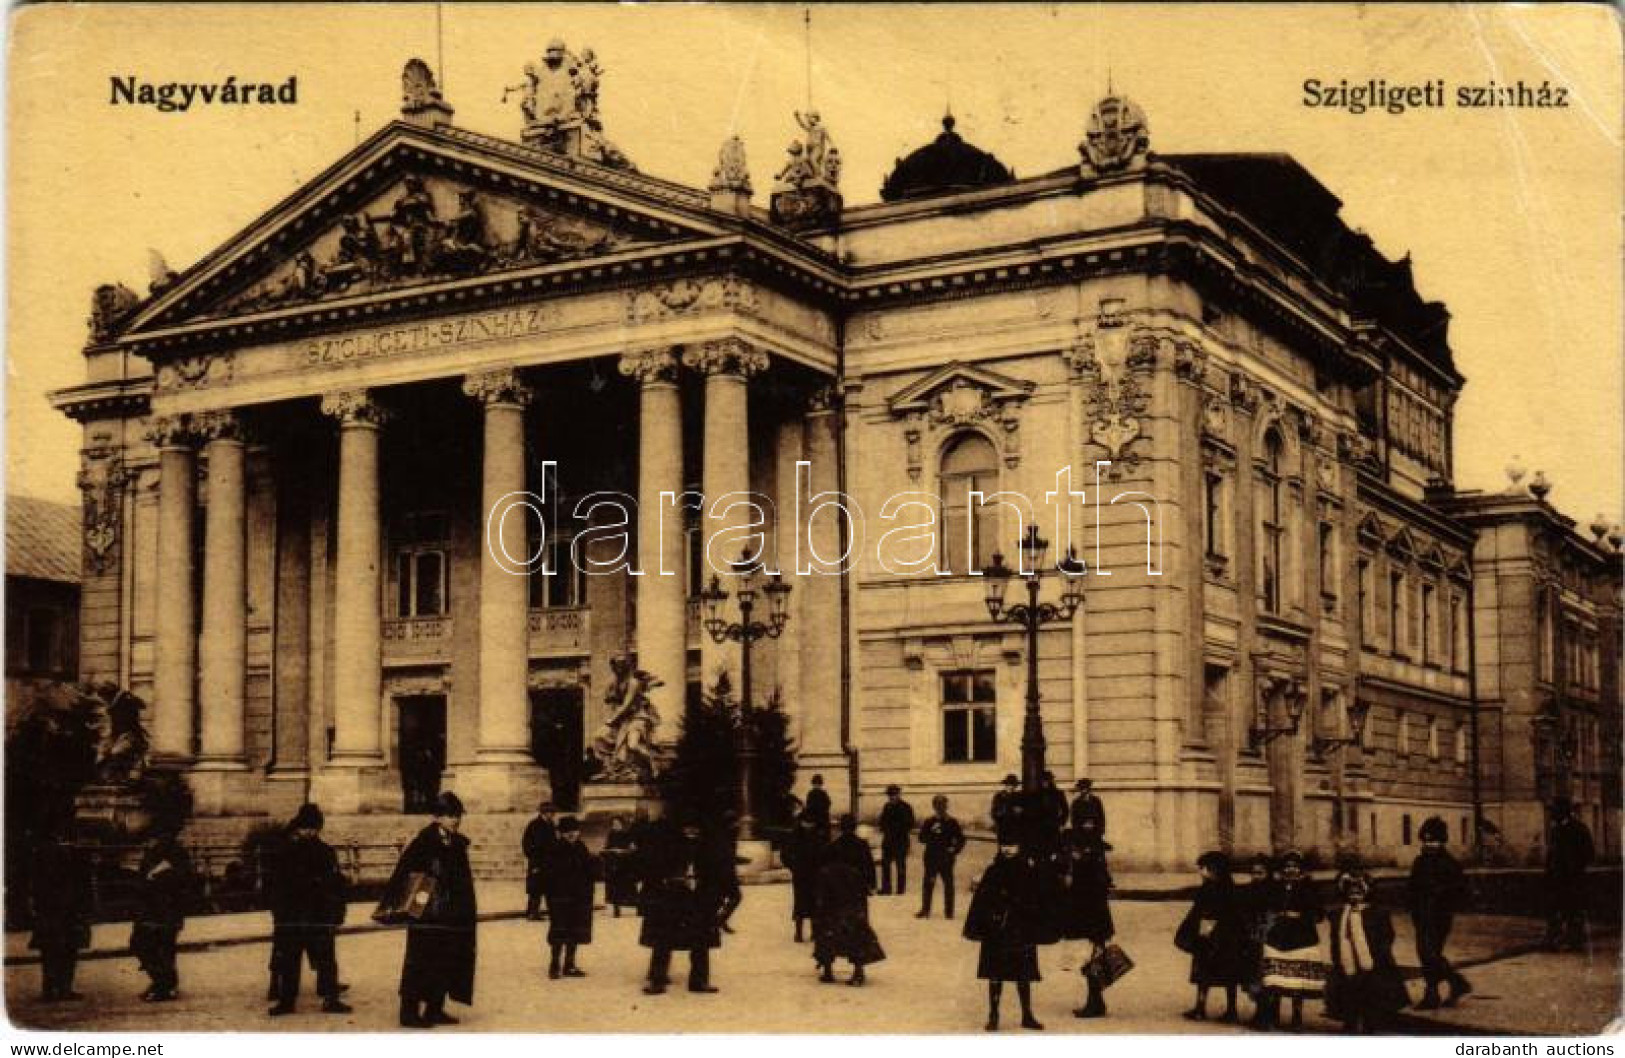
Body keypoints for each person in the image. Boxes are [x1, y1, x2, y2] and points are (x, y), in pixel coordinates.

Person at [386, 791, 477, 1028]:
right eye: (450, 815)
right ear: (437, 817)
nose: (455, 820)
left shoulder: (457, 843)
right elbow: (405, 873)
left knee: (445, 960)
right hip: (426, 913)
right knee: (419, 961)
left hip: (449, 913)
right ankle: (409, 1012)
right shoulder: (423, 842)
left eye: (457, 815)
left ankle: (435, 1009)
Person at [268, 804, 351, 1016]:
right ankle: (289, 1001)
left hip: (313, 914)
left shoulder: (321, 851)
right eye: (306, 828)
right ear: (300, 828)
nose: (309, 832)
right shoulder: (289, 852)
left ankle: (328, 998)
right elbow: (278, 886)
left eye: (313, 828)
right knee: (293, 960)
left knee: (323, 959)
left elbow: (335, 884)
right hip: (299, 915)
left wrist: (337, 909)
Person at [964, 843, 1045, 1031]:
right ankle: (993, 1015)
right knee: (995, 973)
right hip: (997, 930)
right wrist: (991, 916)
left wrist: (1024, 910)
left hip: (1020, 930)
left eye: (1012, 846)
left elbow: (1036, 900)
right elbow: (982, 901)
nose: (1007, 850)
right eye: (1004, 846)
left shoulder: (1027, 871)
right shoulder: (993, 871)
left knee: (1023, 974)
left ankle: (1027, 1014)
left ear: (1019, 848)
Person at [638, 811, 720, 994]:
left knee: (700, 942)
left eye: (695, 829)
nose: (691, 831)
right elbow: (656, 870)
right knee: (664, 940)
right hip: (672, 899)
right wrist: (672, 881)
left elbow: (715, 873)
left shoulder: (707, 847)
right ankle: (657, 980)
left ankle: (699, 981)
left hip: (698, 900)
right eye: (688, 828)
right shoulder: (669, 846)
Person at [1325, 865, 1409, 1034]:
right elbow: (1336, 937)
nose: (1355, 896)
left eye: (1359, 893)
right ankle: (1350, 1021)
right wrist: (1337, 956)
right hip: (1347, 959)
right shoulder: (1340, 914)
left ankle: (1371, 1022)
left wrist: (1381, 952)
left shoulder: (1376, 913)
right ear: (1346, 895)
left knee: (1371, 992)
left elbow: (1387, 935)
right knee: (1348, 992)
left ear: (1366, 893)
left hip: (1373, 960)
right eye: (1351, 893)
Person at [813, 814, 886, 986]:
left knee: (828, 929)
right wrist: (869, 887)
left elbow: (823, 870)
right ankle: (858, 973)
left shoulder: (832, 846)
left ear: (840, 827)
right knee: (857, 931)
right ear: (854, 827)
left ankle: (828, 971)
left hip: (834, 897)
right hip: (855, 896)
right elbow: (869, 870)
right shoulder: (861, 846)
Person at [1256, 849, 1323, 1031]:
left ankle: (1297, 1017)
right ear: (1282, 869)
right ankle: (1273, 1016)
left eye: (1294, 866)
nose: (1290, 870)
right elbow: (1266, 906)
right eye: (1287, 866)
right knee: (1275, 978)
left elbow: (1318, 914)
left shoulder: (1309, 888)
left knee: (1297, 982)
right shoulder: (1275, 888)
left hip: (1301, 937)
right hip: (1278, 936)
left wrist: (1302, 916)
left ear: (1301, 869)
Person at [1408, 816, 1472, 1008]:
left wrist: (1442, 896)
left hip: (1439, 916)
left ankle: (1440, 990)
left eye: (1433, 840)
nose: (1429, 845)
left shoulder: (1449, 864)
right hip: (1421, 915)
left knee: (1430, 954)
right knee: (1426, 953)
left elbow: (1460, 890)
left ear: (1442, 841)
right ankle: (1451, 985)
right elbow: (1412, 887)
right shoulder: (1420, 862)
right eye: (1426, 840)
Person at [1176, 850, 1246, 1022]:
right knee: (1203, 973)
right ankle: (1201, 1007)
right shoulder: (1206, 889)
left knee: (1228, 974)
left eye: (1204, 868)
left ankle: (1231, 1010)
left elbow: (1234, 915)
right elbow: (1196, 912)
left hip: (1224, 939)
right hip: (1206, 937)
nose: (1201, 871)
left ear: (1215, 870)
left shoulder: (1227, 891)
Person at [131, 826, 192, 1002]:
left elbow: (181, 881)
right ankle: (164, 983)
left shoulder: (170, 852)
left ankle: (163, 984)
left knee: (150, 945)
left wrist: (153, 878)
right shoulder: (158, 851)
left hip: (162, 910)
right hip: (156, 909)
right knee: (161, 947)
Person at [1062, 819, 1115, 1019]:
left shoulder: (1088, 869)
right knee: (1091, 963)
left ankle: (1094, 1005)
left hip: (1091, 924)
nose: (1071, 852)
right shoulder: (1091, 866)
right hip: (1094, 923)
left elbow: (1087, 900)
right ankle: (1097, 1003)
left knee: (1091, 963)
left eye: (1073, 849)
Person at [30, 830, 90, 1002]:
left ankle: (50, 990)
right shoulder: (68, 853)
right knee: (67, 950)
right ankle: (62, 989)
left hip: (51, 911)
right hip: (65, 911)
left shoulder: (41, 852)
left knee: (50, 952)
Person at [544, 816, 596, 979]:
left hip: (578, 897)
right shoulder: (554, 849)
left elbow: (588, 871)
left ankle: (569, 964)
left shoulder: (581, 847)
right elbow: (549, 874)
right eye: (568, 832)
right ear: (561, 833)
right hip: (560, 897)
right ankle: (554, 964)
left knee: (574, 931)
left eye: (574, 831)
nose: (572, 834)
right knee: (559, 930)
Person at [1545, 796, 1594, 951]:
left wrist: (1576, 868)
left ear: (1563, 812)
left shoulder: (1579, 829)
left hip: (1573, 879)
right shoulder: (1555, 830)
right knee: (1554, 910)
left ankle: (1575, 941)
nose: (1551, 814)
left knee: (1574, 910)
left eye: (1554, 811)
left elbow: (1589, 853)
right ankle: (1553, 940)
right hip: (1556, 879)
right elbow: (1552, 854)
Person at [1237, 854, 1280, 1022]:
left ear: (1268, 873)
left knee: (1270, 974)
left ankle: (1270, 1012)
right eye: (1254, 873)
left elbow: (1275, 914)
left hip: (1271, 936)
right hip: (1253, 938)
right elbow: (1243, 913)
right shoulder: (1247, 891)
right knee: (1254, 975)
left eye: (1261, 873)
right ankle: (1260, 1011)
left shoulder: (1274, 891)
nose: (1256, 876)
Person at [916, 795, 966, 919]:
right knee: (928, 883)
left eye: (942, 806)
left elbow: (961, 839)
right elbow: (921, 838)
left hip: (946, 858)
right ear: (934, 807)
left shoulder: (952, 822)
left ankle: (949, 912)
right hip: (931, 857)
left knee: (948, 884)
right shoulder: (929, 821)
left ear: (946, 807)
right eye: (937, 806)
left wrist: (954, 850)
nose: (940, 809)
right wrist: (931, 833)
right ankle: (925, 910)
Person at [783, 809, 828, 943]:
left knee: (816, 902)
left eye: (811, 823)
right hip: (801, 874)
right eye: (806, 822)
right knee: (800, 903)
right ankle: (798, 933)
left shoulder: (818, 835)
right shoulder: (794, 835)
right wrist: (793, 867)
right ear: (801, 822)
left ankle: (815, 932)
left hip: (815, 874)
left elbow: (824, 853)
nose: (809, 825)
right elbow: (785, 854)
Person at [521, 801, 558, 920]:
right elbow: (528, 844)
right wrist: (534, 862)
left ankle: (546, 911)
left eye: (553, 813)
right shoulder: (534, 825)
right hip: (537, 862)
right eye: (550, 813)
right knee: (535, 889)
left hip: (549, 862)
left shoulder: (551, 824)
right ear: (544, 813)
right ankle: (532, 912)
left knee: (548, 888)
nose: (552, 815)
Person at [877, 785, 916, 896]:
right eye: (890, 795)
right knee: (885, 864)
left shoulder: (906, 807)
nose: (892, 797)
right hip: (888, 840)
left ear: (899, 794)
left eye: (894, 795)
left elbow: (910, 823)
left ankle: (900, 889)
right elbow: (882, 821)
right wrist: (883, 828)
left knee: (900, 865)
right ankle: (886, 888)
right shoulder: (887, 806)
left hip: (900, 841)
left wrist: (896, 829)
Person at [601, 815, 639, 917]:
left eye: (617, 824)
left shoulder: (627, 835)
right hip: (613, 865)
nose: (615, 826)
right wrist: (607, 850)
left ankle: (633, 906)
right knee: (614, 889)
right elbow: (606, 847)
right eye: (614, 824)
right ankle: (616, 909)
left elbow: (633, 849)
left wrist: (622, 851)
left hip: (624, 865)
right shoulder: (611, 835)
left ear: (622, 825)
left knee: (625, 888)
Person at [991, 774, 1024, 846]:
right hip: (1003, 827)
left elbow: (1023, 811)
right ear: (1005, 785)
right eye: (1009, 785)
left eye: (1013, 785)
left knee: (1014, 848)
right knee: (1004, 848)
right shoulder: (999, 796)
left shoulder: (1018, 796)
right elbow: (994, 812)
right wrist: (1000, 813)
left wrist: (1020, 811)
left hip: (1015, 828)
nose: (1011, 787)